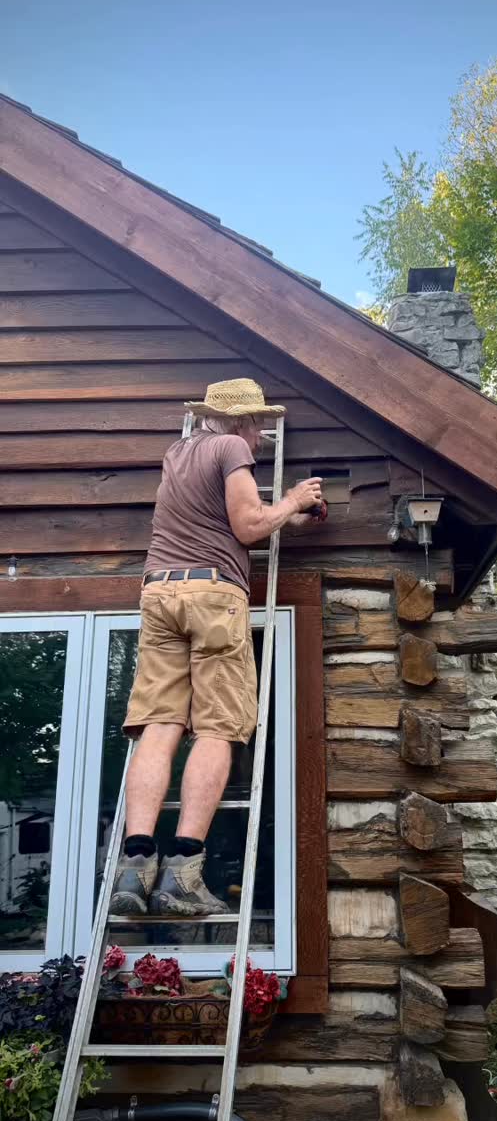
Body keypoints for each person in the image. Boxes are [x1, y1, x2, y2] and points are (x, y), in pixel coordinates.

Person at [110, 378, 323, 917]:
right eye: (256, 428)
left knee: (159, 726)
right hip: (211, 595)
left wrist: (292, 518)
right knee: (218, 727)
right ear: (243, 422)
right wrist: (293, 497)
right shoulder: (231, 447)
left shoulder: (178, 452)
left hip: (160, 592)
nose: (258, 440)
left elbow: (225, 521)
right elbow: (249, 526)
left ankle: (135, 867)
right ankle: (183, 873)